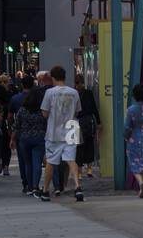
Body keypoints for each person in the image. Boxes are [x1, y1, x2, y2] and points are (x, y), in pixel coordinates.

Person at [39, 65, 83, 202]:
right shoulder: (74, 92)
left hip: (54, 132)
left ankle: (45, 191)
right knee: (71, 160)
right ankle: (77, 187)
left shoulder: (50, 93)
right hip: (71, 128)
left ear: (53, 77)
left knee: (51, 162)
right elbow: (77, 111)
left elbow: (45, 113)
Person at [13, 85, 48, 196]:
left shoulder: (22, 110)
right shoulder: (42, 111)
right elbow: (46, 124)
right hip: (39, 138)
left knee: (28, 163)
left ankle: (28, 185)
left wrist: (13, 138)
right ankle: (35, 186)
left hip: (24, 138)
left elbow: (16, 125)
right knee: (37, 162)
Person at [8, 74, 35, 194]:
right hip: (36, 132)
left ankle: (26, 183)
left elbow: (9, 117)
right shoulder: (38, 97)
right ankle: (34, 183)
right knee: (35, 159)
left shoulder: (15, 99)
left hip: (20, 133)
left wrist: (11, 129)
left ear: (22, 85)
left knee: (23, 160)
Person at [75, 73, 101, 178]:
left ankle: (80, 172)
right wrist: (98, 122)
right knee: (90, 145)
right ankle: (89, 169)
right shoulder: (89, 93)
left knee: (79, 147)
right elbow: (94, 108)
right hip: (89, 122)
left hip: (78, 122)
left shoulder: (74, 94)